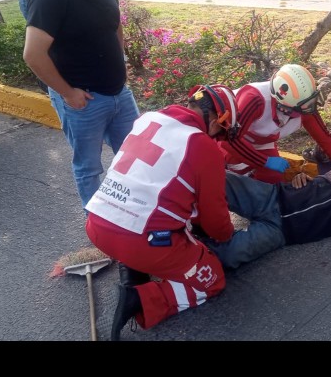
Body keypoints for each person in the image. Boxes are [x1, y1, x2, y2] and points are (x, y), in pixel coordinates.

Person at [85, 84, 240, 341]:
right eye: (221, 132)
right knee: (212, 280)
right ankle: (140, 300)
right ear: (214, 119)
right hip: (139, 241)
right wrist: (226, 234)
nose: (218, 139)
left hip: (97, 225)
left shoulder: (148, 118)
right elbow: (215, 222)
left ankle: (132, 266)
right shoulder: (203, 146)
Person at [23, 0, 140, 209]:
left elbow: (114, 24)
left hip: (120, 93)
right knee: (89, 168)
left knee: (134, 155)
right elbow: (33, 55)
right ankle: (97, 221)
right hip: (82, 100)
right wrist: (67, 93)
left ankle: (132, 213)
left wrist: (121, 59)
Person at [204, 151, 331, 288]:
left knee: (228, 255)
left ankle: (186, 248)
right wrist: (300, 176)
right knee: (220, 178)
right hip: (271, 196)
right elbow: (320, 151)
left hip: (279, 230)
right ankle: (181, 208)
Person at [219, 63, 331, 184]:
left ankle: (261, 200)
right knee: (238, 170)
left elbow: (325, 138)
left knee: (274, 176)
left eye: (310, 103)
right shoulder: (255, 99)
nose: (308, 111)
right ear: (282, 106)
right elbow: (228, 140)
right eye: (301, 108)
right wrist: (265, 161)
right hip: (226, 136)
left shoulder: (303, 105)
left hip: (261, 140)